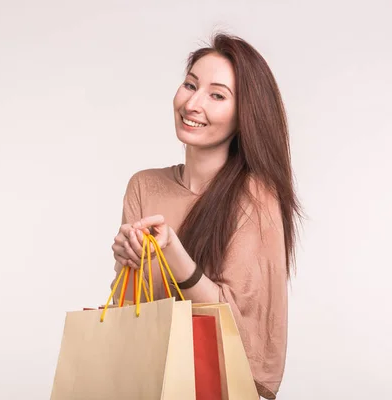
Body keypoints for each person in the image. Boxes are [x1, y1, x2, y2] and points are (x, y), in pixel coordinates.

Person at [110, 33, 301, 399]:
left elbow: (244, 335)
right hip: (145, 386)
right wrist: (125, 262)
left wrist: (175, 255)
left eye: (217, 95)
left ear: (244, 115)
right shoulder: (143, 186)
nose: (193, 103)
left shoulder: (256, 199)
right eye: (190, 85)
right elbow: (131, 315)